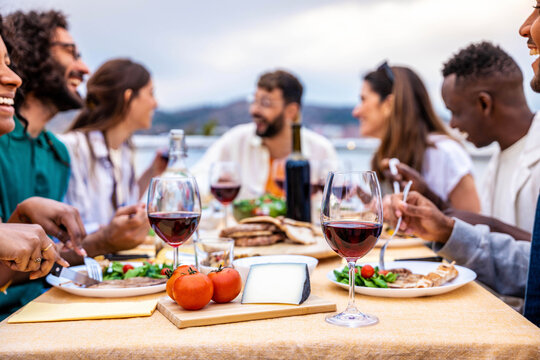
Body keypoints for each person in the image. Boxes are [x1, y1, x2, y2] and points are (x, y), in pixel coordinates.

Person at [383, 4, 540, 326]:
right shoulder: (499, 159)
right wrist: (437, 209)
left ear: (484, 103)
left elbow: (529, 260)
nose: (452, 125)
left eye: (455, 111)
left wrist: (448, 223)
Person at [0, 10, 149, 316]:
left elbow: (30, 258)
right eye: (69, 52)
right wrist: (103, 240)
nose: (84, 68)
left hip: (45, 306)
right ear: (29, 52)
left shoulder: (57, 152)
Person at [352, 63, 481, 212]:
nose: (356, 112)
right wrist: (374, 205)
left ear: (389, 104)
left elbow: (475, 227)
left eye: (363, 99)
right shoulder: (385, 155)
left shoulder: (446, 154)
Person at [191, 69, 338, 200]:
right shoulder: (236, 140)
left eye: (265, 103)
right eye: (254, 101)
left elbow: (338, 204)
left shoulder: (321, 150)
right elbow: (198, 179)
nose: (254, 110)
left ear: (291, 112)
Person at [59, 58, 166, 230]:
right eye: (151, 93)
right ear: (128, 97)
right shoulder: (72, 148)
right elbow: (71, 229)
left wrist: (152, 172)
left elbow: (122, 209)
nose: (156, 103)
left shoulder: (122, 148)